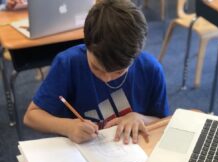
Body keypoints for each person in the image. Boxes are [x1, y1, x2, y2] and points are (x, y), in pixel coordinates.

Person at [23, 0, 169, 144]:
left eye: (118, 72)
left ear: (135, 56)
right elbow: (31, 116)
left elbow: (164, 122)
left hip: (133, 151)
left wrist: (140, 118)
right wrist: (67, 127)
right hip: (81, 153)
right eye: (97, 68)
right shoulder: (68, 63)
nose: (107, 78)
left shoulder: (151, 69)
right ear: (87, 43)